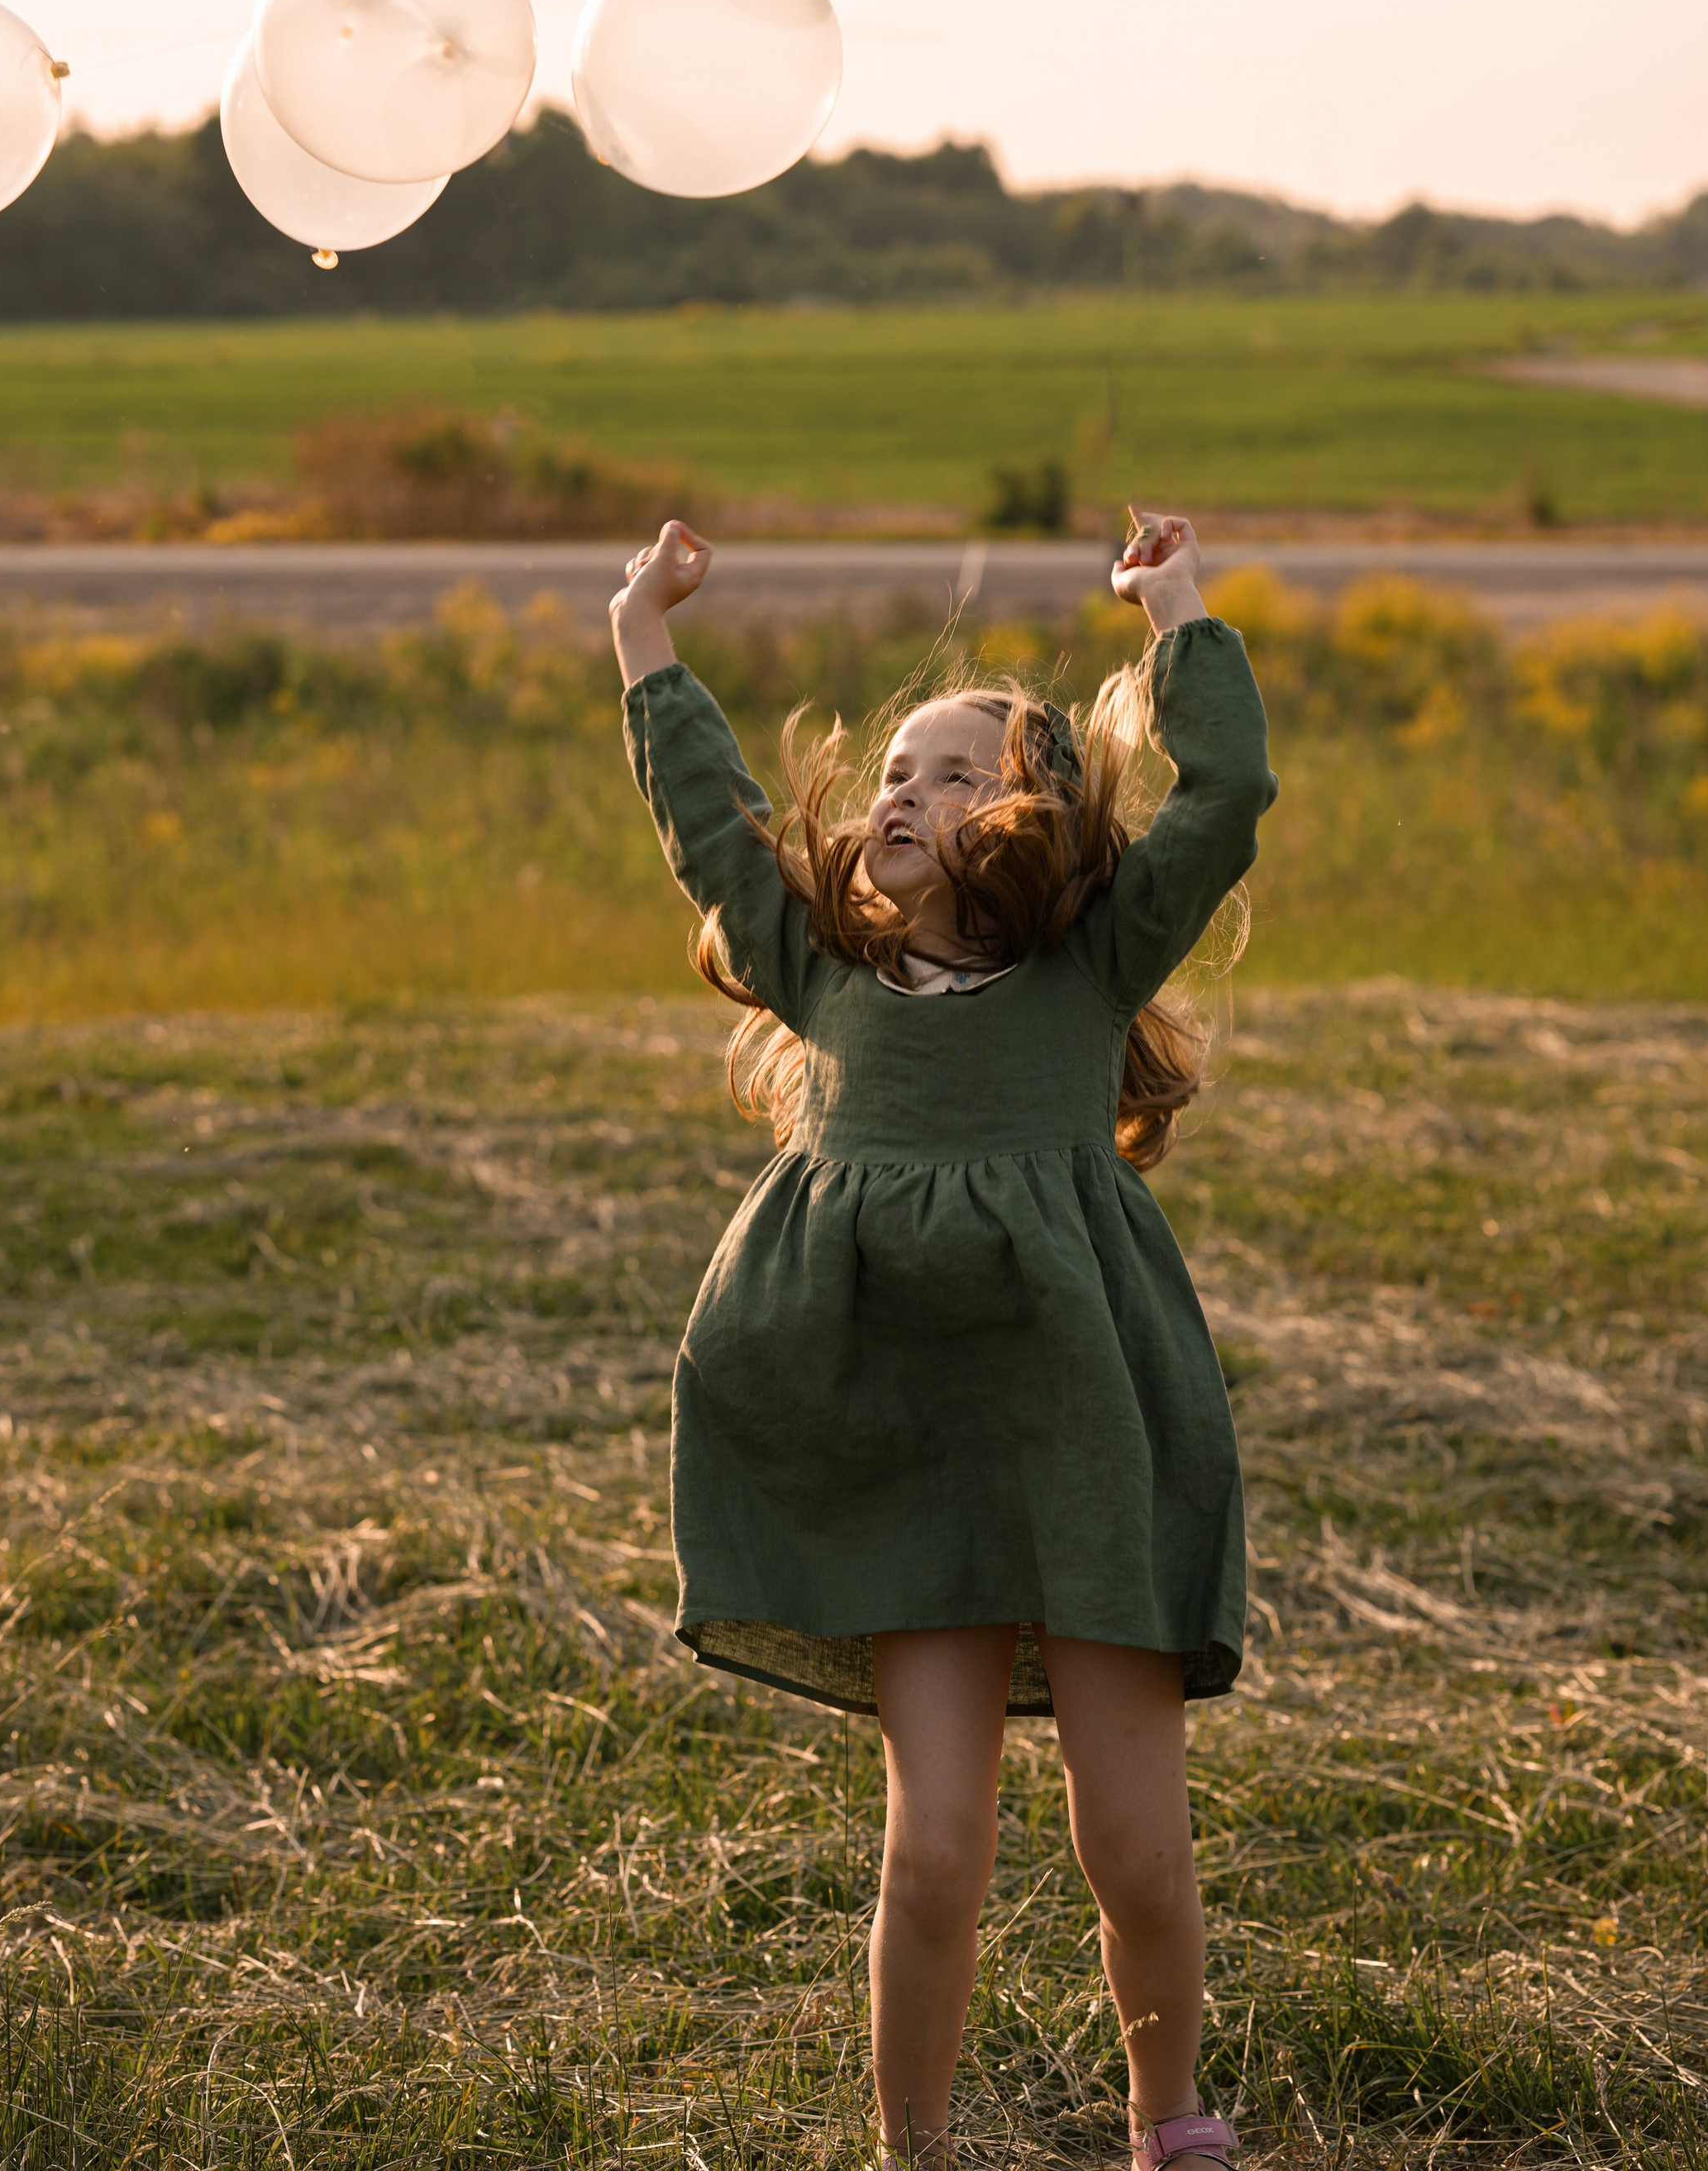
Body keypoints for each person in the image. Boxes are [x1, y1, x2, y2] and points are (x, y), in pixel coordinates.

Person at [611, 512, 1276, 2171]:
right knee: (936, 1849)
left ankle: (1167, 2123)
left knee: (1133, 1844)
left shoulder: (1088, 970)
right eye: (894, 770)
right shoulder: (821, 981)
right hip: (898, 1458)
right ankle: (910, 2144)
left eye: (956, 772)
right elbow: (710, 828)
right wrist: (644, 635)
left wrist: (1172, 609)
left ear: (1038, 819)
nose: (903, 792)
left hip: (1083, 1448)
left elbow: (1226, 799)